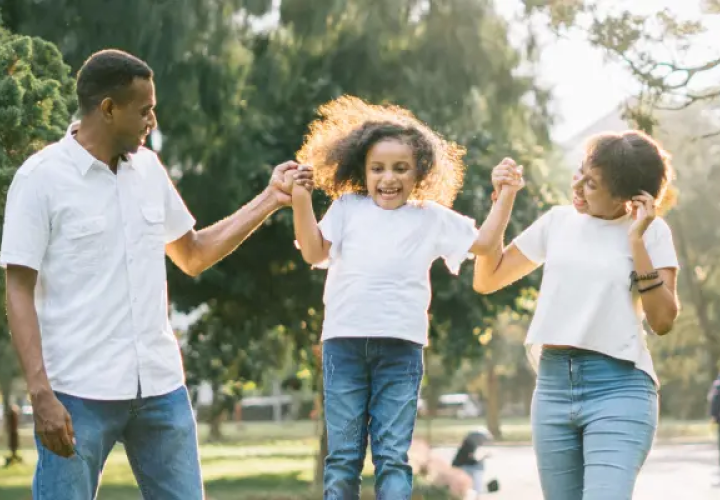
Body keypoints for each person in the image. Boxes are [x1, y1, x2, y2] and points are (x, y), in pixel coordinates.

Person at [0, 49, 311, 500]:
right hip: (77, 394)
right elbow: (18, 289)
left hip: (160, 389)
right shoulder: (41, 179)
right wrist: (40, 393)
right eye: (144, 110)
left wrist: (270, 198)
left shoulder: (147, 169)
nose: (153, 121)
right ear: (108, 109)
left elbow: (193, 254)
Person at [286, 95, 522, 500]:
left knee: (393, 457)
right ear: (362, 169)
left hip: (401, 348)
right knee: (343, 458)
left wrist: (505, 195)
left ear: (420, 172)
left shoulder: (429, 217)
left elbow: (484, 243)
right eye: (377, 168)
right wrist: (301, 199)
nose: (388, 178)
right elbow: (313, 252)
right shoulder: (348, 208)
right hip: (344, 345)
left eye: (400, 168)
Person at [473, 130, 680, 500]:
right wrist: (503, 202)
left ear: (627, 197)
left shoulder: (652, 233)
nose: (578, 187)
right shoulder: (558, 222)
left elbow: (663, 321)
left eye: (592, 184)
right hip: (553, 387)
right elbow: (487, 278)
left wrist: (636, 242)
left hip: (619, 387)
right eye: (580, 173)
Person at [451, 431, 491, 498]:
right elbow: (471, 460)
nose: (483, 441)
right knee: (478, 471)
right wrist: (483, 457)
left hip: (463, 466)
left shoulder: (469, 444)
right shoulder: (470, 445)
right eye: (482, 439)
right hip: (462, 467)